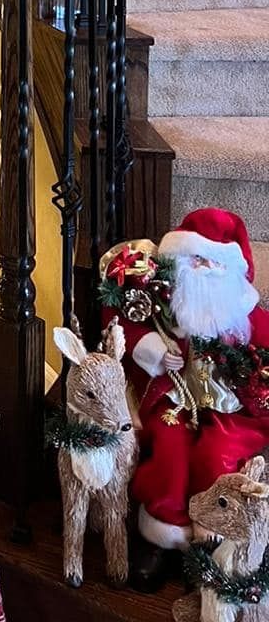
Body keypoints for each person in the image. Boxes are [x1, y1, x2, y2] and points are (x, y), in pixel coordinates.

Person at [103, 209, 269, 589]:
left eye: (213, 262)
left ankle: (209, 544)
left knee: (218, 455)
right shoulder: (162, 298)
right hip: (175, 398)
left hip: (230, 407)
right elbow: (118, 313)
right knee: (170, 448)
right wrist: (155, 350)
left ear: (231, 270)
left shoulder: (244, 311)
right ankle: (159, 534)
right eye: (195, 259)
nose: (204, 268)